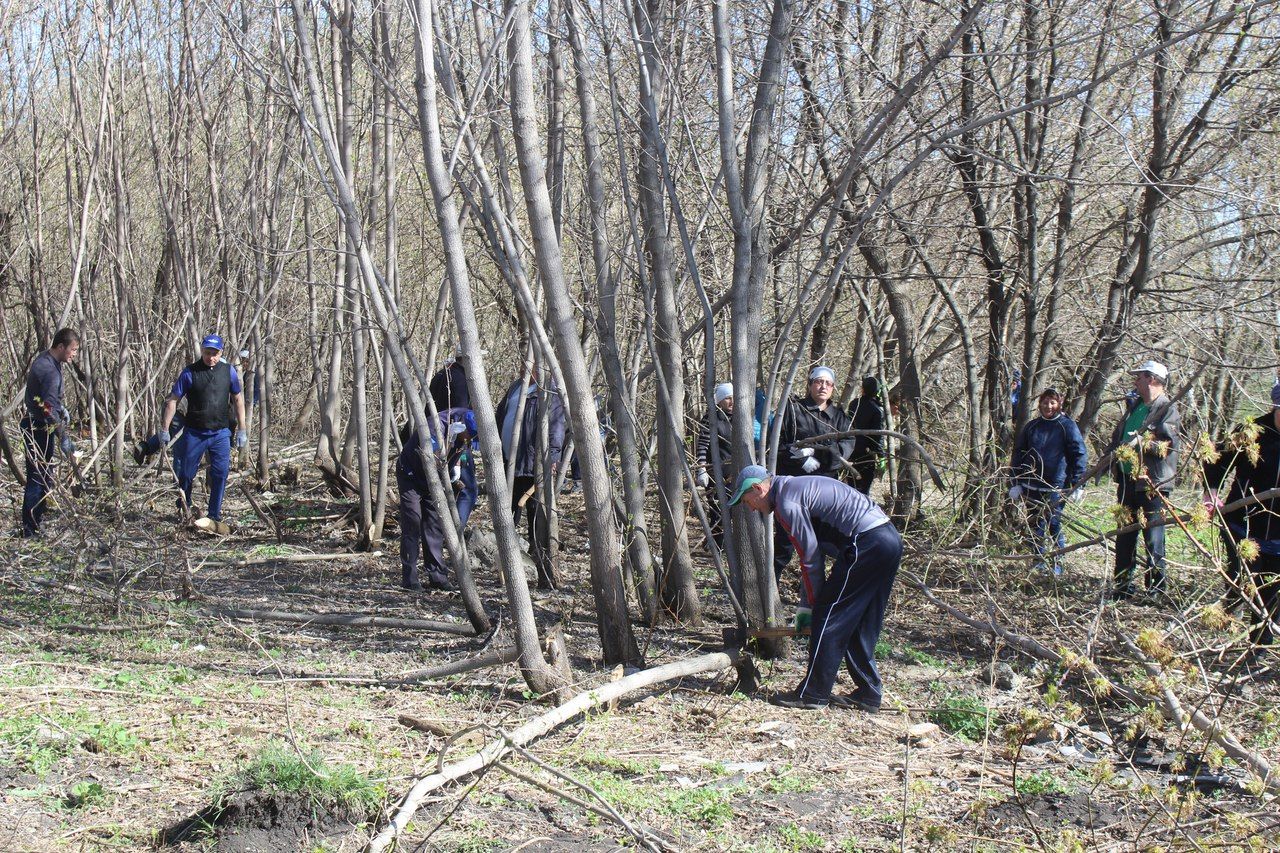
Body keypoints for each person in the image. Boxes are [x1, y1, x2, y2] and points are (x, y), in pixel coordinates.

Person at [729, 465, 902, 712]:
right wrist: (805, 605)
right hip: (889, 539)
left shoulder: (787, 503)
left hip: (866, 542)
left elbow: (809, 558)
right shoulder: (793, 488)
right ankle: (868, 693)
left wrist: (813, 608)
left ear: (758, 488)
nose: (751, 508)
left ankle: (813, 694)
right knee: (861, 622)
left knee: (829, 616)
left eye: (748, 501)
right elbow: (812, 552)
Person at [1202, 383, 1280, 645]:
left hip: (1278, 535)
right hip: (1242, 522)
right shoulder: (1251, 432)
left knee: (1270, 591)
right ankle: (1229, 617)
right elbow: (1215, 459)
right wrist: (1211, 492)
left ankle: (1258, 647)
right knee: (1241, 578)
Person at [1106, 359, 1181, 600]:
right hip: (1127, 481)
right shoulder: (1135, 406)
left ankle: (1156, 590)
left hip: (1152, 484)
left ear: (1151, 379)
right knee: (1125, 533)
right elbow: (1119, 438)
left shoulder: (1166, 409)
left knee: (1153, 537)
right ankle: (1122, 586)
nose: (1135, 381)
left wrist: (1142, 443)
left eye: (1139, 377)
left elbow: (1167, 446)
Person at [774, 366, 856, 582]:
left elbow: (845, 449)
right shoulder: (793, 410)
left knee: (819, 543)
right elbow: (778, 446)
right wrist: (800, 458)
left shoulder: (839, 418)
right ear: (810, 384)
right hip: (792, 489)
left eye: (828, 383)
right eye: (819, 381)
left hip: (825, 492)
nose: (823, 386)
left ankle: (812, 594)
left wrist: (819, 455)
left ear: (833, 389)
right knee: (784, 542)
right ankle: (769, 587)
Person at [159, 334, 248, 523]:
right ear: (202, 351)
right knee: (186, 473)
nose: (211, 357)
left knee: (221, 472)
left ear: (221, 352)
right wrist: (165, 429)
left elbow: (238, 399)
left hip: (221, 433)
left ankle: (214, 515)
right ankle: (185, 509)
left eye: (215, 353)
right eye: (208, 353)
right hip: (195, 432)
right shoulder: (190, 372)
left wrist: (242, 429)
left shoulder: (228, 371)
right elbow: (173, 400)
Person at [495, 366, 565, 588]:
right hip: (509, 463)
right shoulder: (517, 386)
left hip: (532, 465)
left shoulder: (548, 391)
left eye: (531, 365)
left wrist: (552, 458)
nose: (525, 367)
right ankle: (508, 570)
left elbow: (556, 428)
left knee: (536, 520)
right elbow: (500, 414)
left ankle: (541, 571)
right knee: (508, 516)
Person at [396, 408, 478, 593]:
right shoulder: (436, 426)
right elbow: (431, 457)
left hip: (433, 482)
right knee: (413, 522)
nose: (469, 439)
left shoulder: (465, 428)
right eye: (468, 436)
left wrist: (455, 470)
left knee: (433, 525)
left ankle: (437, 576)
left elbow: (458, 453)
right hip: (411, 475)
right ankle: (410, 579)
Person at [1009, 388, 1088, 575]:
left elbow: (1079, 454)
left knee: (1053, 522)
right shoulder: (1032, 426)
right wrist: (1015, 481)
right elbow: (1019, 453)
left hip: (1055, 486)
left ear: (1059, 404)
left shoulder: (1067, 426)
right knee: (1035, 524)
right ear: (1040, 404)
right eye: (1045, 402)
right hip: (1031, 484)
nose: (1048, 406)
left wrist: (1078, 484)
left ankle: (1057, 562)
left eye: (1052, 402)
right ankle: (1039, 561)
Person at [20, 328, 80, 537]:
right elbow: (47, 409)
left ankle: (37, 521)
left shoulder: (49, 361)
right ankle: (30, 529)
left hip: (39, 424)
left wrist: (59, 407)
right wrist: (63, 437)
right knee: (37, 477)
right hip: (37, 427)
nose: (74, 354)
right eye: (72, 350)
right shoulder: (49, 369)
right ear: (61, 347)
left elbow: (49, 402)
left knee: (44, 475)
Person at [695, 382, 735, 548]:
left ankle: (726, 542)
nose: (731, 401)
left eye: (734, 397)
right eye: (727, 398)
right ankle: (717, 544)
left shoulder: (741, 418)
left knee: (735, 510)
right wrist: (702, 469)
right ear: (719, 401)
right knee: (718, 509)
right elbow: (703, 444)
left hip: (738, 473)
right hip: (716, 473)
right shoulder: (711, 418)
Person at [849, 376, 885, 495]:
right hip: (867, 455)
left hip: (851, 451)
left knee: (852, 488)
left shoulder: (854, 404)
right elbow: (878, 435)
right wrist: (881, 456)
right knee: (863, 491)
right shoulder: (877, 410)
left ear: (862, 389)